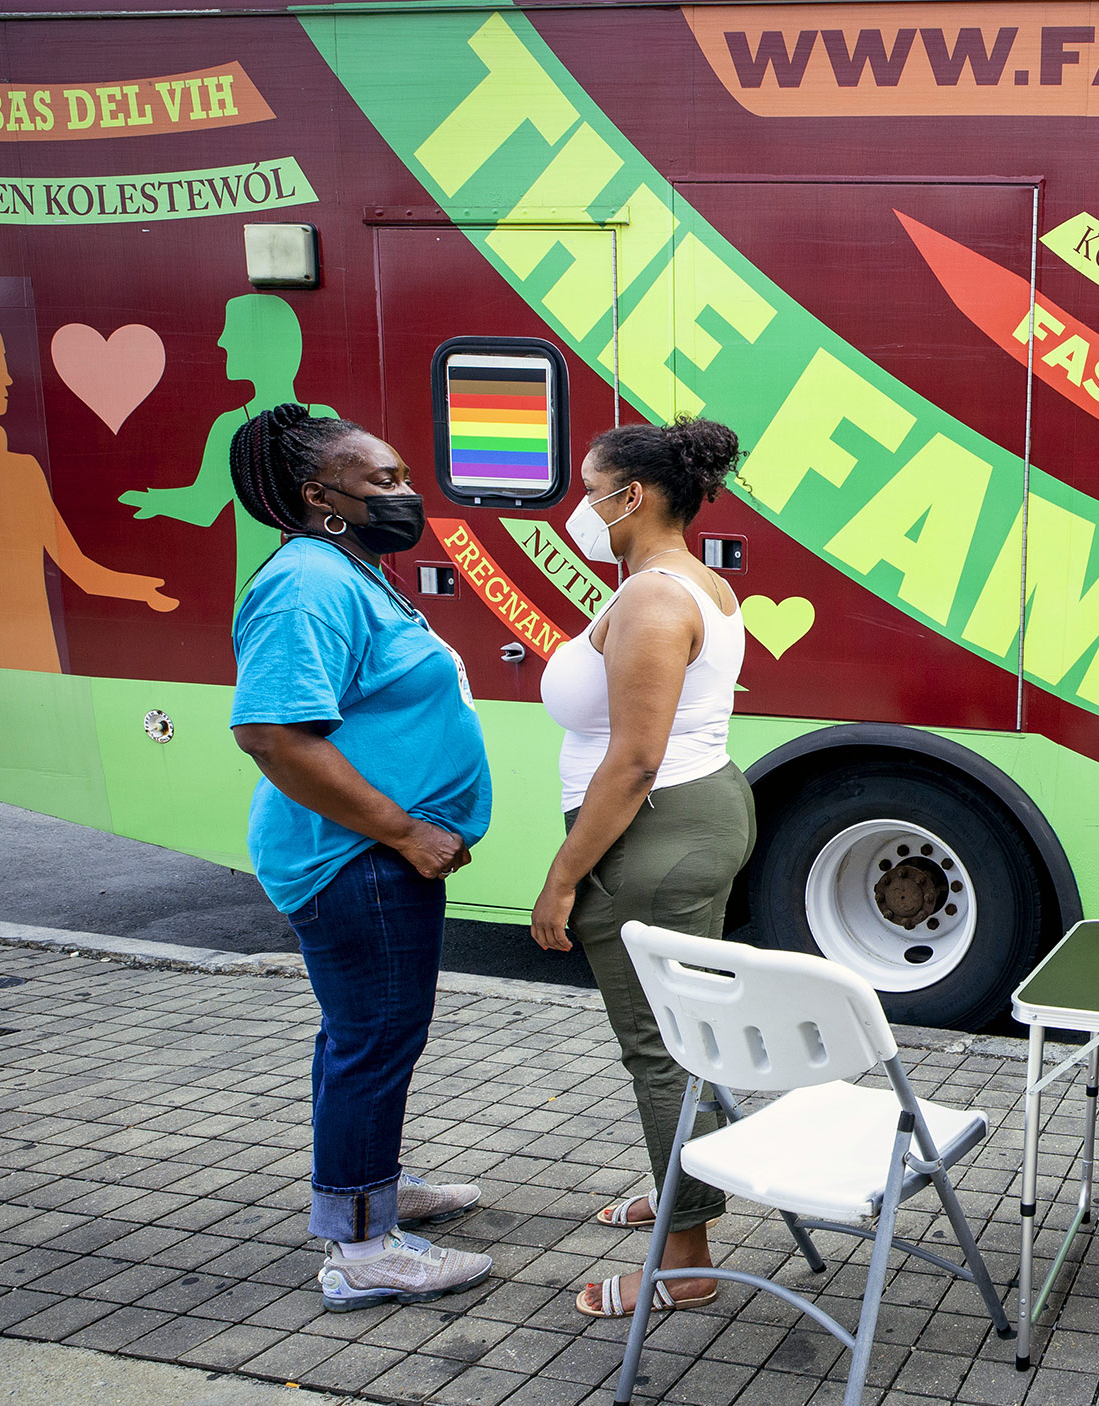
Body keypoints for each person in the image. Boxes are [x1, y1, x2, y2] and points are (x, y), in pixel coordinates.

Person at [226, 404, 495, 1311]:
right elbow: (271, 733)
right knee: (374, 1041)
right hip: (356, 861)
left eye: (402, 476)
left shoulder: (349, 569)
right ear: (319, 496)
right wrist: (408, 831)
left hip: (368, 856)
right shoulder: (307, 582)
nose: (405, 493)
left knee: (365, 1038)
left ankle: (368, 1190)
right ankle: (362, 1250)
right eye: (382, 481)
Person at [528, 418, 756, 1319]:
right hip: (693, 814)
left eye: (590, 489)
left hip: (650, 834)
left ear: (636, 497)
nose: (580, 507)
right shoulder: (694, 583)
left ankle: (688, 1257)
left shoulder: (656, 601)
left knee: (661, 1049)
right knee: (683, 1034)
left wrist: (561, 878)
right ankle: (680, 1192)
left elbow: (633, 760)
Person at [0, 306, 176, 671]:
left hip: (36, 656)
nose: (8, 379)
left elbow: (77, 567)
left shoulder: (24, 469)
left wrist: (141, 589)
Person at [123, 293, 338, 600]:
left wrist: (156, 502)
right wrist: (154, 501)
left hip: (261, 581)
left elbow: (203, 506)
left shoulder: (233, 424)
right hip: (322, 575)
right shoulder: (323, 416)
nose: (222, 343)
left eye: (232, 335)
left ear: (264, 347)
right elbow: (207, 507)